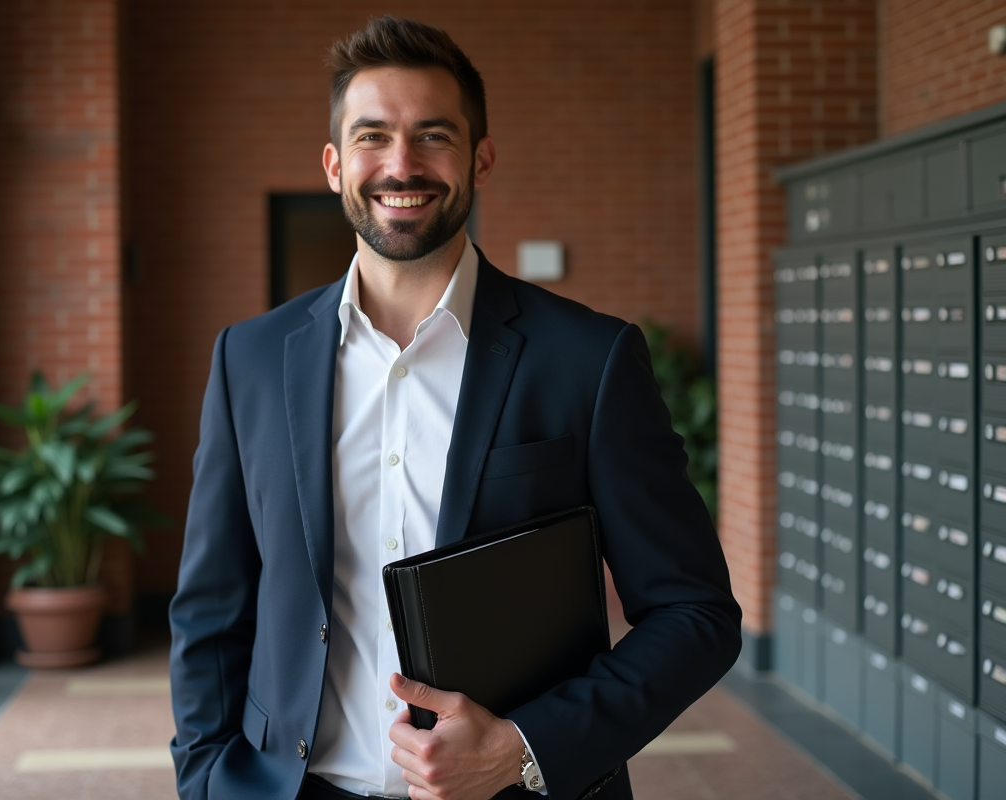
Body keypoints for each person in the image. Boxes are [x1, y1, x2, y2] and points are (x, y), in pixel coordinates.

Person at [169, 16, 742, 800]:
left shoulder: (589, 360)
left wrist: (523, 747)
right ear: (335, 165)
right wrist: (204, 779)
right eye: (372, 137)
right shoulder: (251, 360)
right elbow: (212, 605)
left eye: (433, 136)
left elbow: (695, 613)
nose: (401, 164)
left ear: (481, 158)